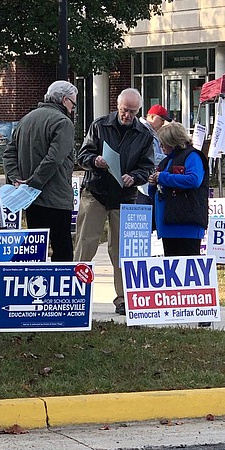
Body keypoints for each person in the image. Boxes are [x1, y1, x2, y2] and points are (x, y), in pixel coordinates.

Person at [73, 88, 154, 316]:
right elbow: (82, 155)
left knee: (121, 251)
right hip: (96, 191)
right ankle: (77, 293)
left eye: (132, 111)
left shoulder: (144, 134)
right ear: (117, 106)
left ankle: (123, 298)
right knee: (85, 244)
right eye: (123, 110)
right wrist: (94, 160)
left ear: (139, 111)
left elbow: (148, 167)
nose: (127, 115)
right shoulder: (100, 125)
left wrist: (135, 177)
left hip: (124, 196)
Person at [3, 80, 78, 261]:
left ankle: (36, 286)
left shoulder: (25, 119)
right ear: (65, 100)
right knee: (62, 250)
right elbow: (54, 159)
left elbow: (8, 153)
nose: (73, 109)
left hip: (29, 200)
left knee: (36, 249)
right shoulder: (63, 122)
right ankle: (61, 288)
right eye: (73, 104)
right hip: (56, 199)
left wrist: (16, 179)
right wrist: (33, 182)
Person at [148, 122, 210, 327]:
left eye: (164, 143)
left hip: (187, 221)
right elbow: (160, 186)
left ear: (173, 141)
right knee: (173, 266)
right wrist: (153, 182)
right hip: (169, 222)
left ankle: (203, 311)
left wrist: (163, 177)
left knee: (191, 266)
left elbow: (194, 180)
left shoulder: (193, 156)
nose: (161, 147)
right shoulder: (167, 160)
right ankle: (180, 307)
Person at [136, 104, 171, 207]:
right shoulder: (142, 131)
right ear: (151, 116)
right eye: (161, 119)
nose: (163, 123)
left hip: (148, 181)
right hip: (143, 184)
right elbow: (149, 156)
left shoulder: (151, 132)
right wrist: (169, 159)